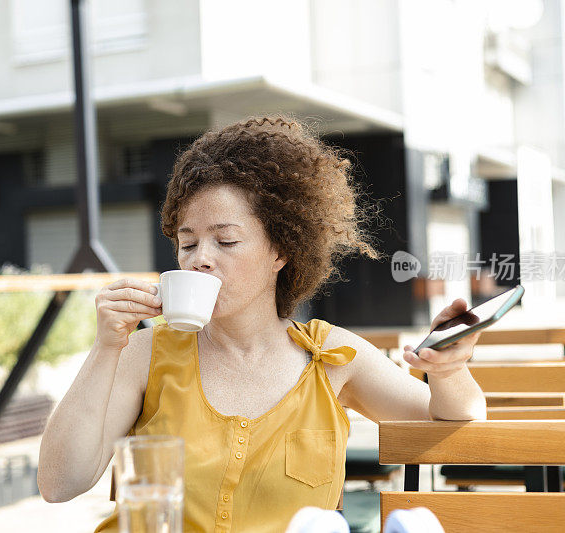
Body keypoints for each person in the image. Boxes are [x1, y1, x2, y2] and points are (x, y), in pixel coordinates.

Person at [37, 116, 487, 532]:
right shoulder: (145, 354)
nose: (200, 260)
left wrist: (448, 370)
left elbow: (460, 418)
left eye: (225, 240)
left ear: (281, 251)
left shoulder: (331, 358)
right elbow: (60, 485)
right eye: (187, 243)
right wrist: (106, 347)